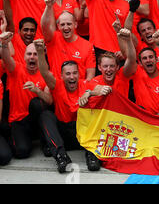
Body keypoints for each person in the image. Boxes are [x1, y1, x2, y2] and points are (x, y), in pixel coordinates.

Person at [34, 39, 106, 173]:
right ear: (61, 76)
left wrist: (89, 93)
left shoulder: (85, 84)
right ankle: (61, 157)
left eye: (74, 73)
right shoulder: (57, 85)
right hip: (63, 133)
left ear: (79, 74)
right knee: (46, 115)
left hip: (82, 134)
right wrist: (39, 52)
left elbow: (104, 89)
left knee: (95, 113)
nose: (71, 76)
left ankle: (92, 154)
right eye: (68, 74)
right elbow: (44, 72)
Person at [0, 31, 52, 159]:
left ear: (40, 56)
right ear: (24, 57)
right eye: (29, 54)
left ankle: (43, 141)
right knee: (22, 152)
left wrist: (37, 91)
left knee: (39, 106)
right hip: (19, 121)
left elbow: (49, 101)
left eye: (35, 54)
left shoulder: (46, 74)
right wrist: (4, 44)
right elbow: (6, 58)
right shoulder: (16, 69)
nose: (32, 57)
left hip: (36, 121)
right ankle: (10, 136)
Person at [40, 0, 96, 81]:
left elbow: (90, 76)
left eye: (69, 24)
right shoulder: (53, 38)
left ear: (75, 24)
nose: (66, 27)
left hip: (78, 90)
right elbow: (44, 26)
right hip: (57, 89)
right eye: (62, 24)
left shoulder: (87, 46)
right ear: (58, 26)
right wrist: (48, 6)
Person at [87, 28, 137, 99]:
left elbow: (131, 59)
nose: (108, 69)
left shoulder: (123, 77)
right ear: (99, 67)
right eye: (105, 66)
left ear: (117, 67)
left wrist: (128, 40)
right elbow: (94, 88)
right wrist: (91, 92)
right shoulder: (94, 81)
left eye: (112, 66)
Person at [132, 46, 159, 115]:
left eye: (151, 57)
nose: (148, 60)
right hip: (140, 118)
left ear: (156, 59)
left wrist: (155, 119)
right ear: (140, 63)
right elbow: (129, 57)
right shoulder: (137, 72)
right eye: (144, 58)